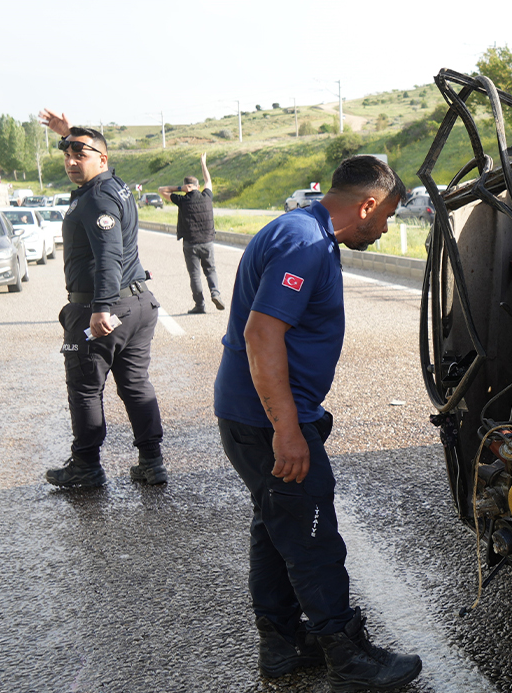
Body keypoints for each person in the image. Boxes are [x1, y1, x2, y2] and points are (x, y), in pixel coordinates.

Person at [214, 155, 420, 689]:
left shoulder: (303, 232)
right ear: (368, 204)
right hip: (268, 419)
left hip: (252, 412)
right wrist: (287, 429)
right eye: (387, 217)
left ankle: (282, 646)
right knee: (311, 537)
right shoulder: (304, 243)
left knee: (276, 526)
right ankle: (346, 656)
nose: (385, 228)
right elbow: (262, 335)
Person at [37, 109, 168, 487]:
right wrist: (69, 134)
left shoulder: (96, 200)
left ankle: (86, 466)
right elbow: (88, 147)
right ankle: (151, 462)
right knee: (136, 384)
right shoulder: (114, 185)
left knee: (84, 387)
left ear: (102, 159)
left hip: (104, 308)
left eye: (81, 155)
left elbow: (108, 254)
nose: (71, 162)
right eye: (67, 155)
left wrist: (101, 309)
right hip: (139, 303)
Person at [158, 153, 223, 314]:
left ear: (186, 186)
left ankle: (200, 305)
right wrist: (203, 163)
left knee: (195, 275)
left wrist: (180, 189)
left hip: (190, 244)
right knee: (211, 270)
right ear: (198, 186)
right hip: (207, 241)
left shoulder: (182, 200)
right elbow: (208, 181)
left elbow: (161, 190)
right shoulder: (207, 196)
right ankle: (215, 292)